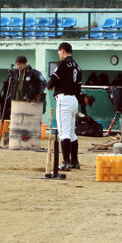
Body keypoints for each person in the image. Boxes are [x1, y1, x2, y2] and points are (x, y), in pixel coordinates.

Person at [47, 42, 82, 171]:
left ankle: (66, 162)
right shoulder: (77, 67)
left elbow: (53, 81)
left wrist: (48, 86)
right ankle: (75, 161)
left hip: (64, 99)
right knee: (72, 132)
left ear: (62, 51)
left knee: (64, 132)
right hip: (73, 99)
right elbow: (78, 87)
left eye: (59, 52)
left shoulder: (62, 64)